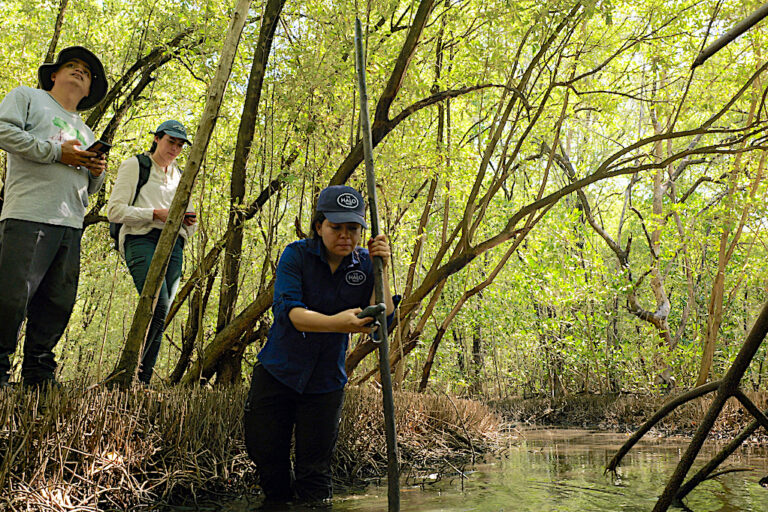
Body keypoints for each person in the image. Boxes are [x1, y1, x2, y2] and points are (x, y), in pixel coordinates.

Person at [243, 185, 396, 509]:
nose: (345, 236)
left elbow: (382, 317)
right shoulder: (295, 255)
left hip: (325, 382)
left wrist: (384, 267)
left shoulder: (366, 262)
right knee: (269, 463)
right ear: (318, 226)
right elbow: (290, 313)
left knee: (315, 474)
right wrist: (337, 323)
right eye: (335, 227)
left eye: (353, 229)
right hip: (278, 373)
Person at [0, 46, 108, 389]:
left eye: (86, 72)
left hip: (70, 224)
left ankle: (38, 374)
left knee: (57, 304)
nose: (79, 72)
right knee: (11, 298)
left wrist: (96, 169)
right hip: (28, 214)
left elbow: (91, 189)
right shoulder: (28, 98)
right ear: (53, 75)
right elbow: (3, 130)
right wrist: (54, 152)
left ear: (89, 90)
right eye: (71, 66)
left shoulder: (87, 131)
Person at [106, 120, 197, 385]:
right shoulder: (136, 165)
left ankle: (140, 380)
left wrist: (187, 223)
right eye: (171, 141)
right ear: (157, 139)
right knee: (154, 304)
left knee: (163, 309)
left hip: (174, 244)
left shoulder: (181, 175)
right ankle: (129, 374)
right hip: (141, 238)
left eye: (180, 145)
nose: (175, 148)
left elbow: (189, 219)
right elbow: (115, 211)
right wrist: (155, 214)